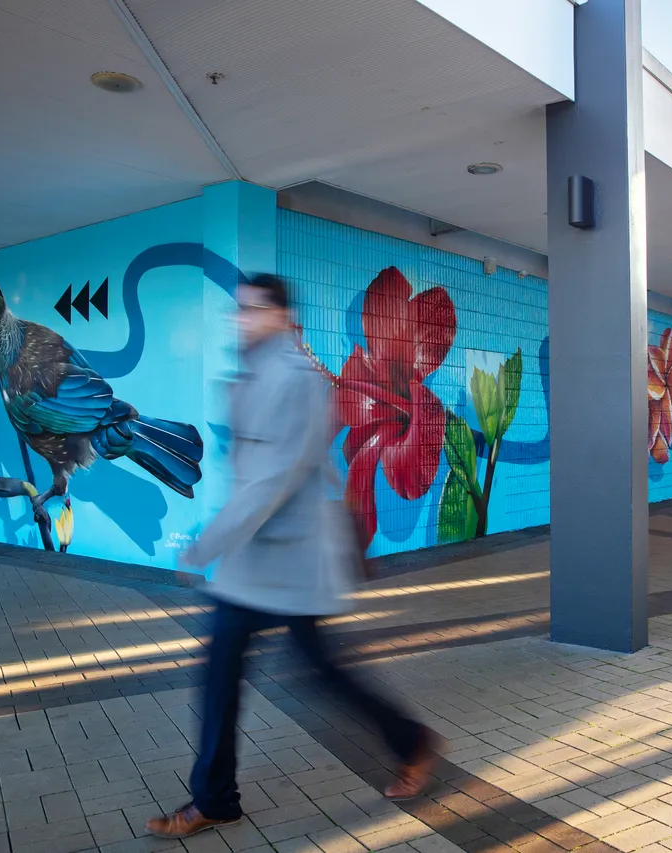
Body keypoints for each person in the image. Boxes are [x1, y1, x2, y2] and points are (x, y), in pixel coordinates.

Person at [145, 274, 440, 840]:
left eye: (255, 311)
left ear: (281, 316)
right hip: (252, 566)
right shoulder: (252, 373)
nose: (242, 320)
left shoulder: (298, 380)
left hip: (291, 562)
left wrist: (205, 545)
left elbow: (273, 480)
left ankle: (412, 739)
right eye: (240, 311)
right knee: (220, 677)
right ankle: (214, 800)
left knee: (322, 673)